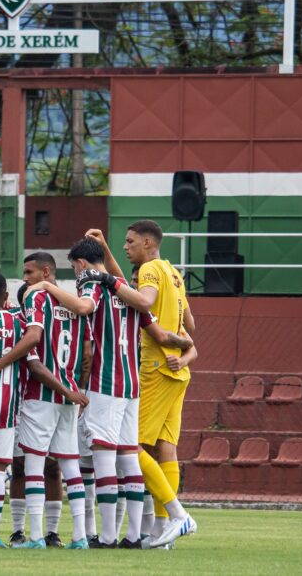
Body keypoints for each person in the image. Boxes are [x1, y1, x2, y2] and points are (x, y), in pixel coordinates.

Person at [26, 237, 196, 549]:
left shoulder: (93, 283)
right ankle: (133, 537)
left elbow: (83, 306)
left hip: (105, 383)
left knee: (105, 457)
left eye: (74, 267)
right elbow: (158, 333)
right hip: (132, 385)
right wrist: (186, 344)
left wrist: (49, 288)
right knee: (129, 456)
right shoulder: (125, 288)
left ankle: (105, 537)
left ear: (80, 264)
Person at [86, 223, 198, 549]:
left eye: (130, 241)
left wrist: (105, 279)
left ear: (147, 242)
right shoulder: (172, 272)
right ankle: (163, 531)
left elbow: (144, 301)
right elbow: (189, 324)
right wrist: (106, 251)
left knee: (130, 446)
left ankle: (178, 516)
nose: (126, 246)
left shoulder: (149, 269)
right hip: (177, 372)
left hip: (154, 366)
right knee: (166, 449)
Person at [0, 252, 93, 550]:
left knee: (33, 464)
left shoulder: (35, 300)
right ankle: (79, 536)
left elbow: (34, 349)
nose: (25, 278)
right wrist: (76, 388)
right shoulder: (74, 303)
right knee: (69, 465)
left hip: (40, 396)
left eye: (28, 272)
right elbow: (87, 353)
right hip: (68, 396)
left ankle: (37, 536)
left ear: (45, 272)